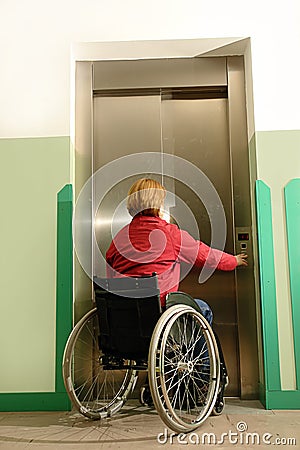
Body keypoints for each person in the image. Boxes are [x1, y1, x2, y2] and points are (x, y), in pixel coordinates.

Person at [106, 177, 248, 325]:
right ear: (157, 203)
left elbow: (110, 272)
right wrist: (233, 260)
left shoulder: (119, 238)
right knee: (203, 309)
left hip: (125, 313)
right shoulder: (169, 234)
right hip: (159, 312)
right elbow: (205, 256)